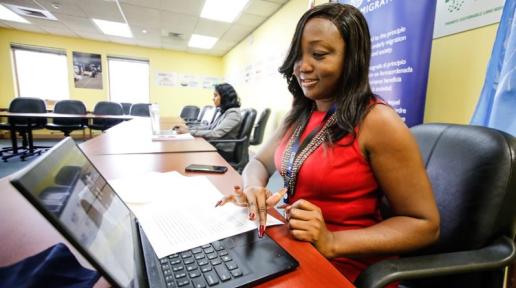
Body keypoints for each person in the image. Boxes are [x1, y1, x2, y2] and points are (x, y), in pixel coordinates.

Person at [216, 3, 440, 284]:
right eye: (298, 55)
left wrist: (332, 240)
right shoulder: (301, 112)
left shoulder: (377, 121)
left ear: (352, 60)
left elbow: (424, 225)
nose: (303, 66)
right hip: (295, 249)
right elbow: (258, 162)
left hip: (344, 267)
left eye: (319, 55)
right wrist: (253, 187)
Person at [174, 83, 242, 160]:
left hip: (223, 151)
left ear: (225, 97)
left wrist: (189, 132)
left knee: (186, 151)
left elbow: (216, 133)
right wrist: (189, 129)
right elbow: (210, 127)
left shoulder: (233, 113)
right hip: (214, 145)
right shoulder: (225, 111)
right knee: (184, 147)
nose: (213, 98)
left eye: (216, 95)